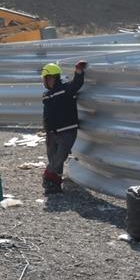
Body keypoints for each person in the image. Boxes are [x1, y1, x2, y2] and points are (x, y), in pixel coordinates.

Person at [40, 61, 87, 194]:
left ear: (52, 78)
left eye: (47, 79)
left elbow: (77, 84)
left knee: (60, 156)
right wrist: (46, 128)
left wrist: (78, 70)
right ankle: (54, 185)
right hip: (52, 132)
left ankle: (48, 174)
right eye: (45, 79)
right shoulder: (47, 95)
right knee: (52, 156)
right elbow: (46, 114)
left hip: (67, 131)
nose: (46, 82)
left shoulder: (66, 89)